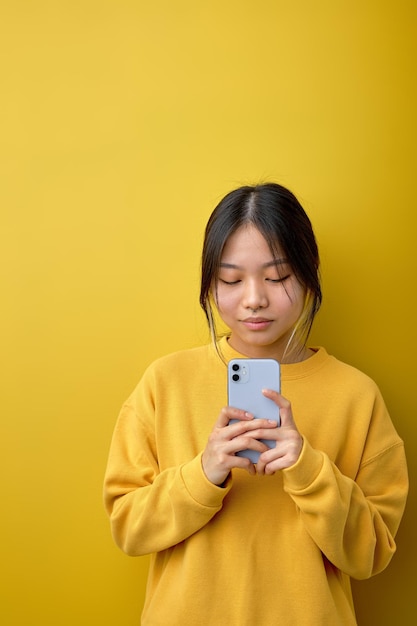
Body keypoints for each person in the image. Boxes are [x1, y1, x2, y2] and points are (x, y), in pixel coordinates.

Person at [103, 183, 408, 625]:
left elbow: (371, 555)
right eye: (231, 279)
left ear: (308, 273)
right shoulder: (164, 382)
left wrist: (308, 468)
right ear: (210, 282)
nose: (254, 298)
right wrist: (203, 473)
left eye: (278, 277)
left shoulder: (356, 396)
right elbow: (128, 527)